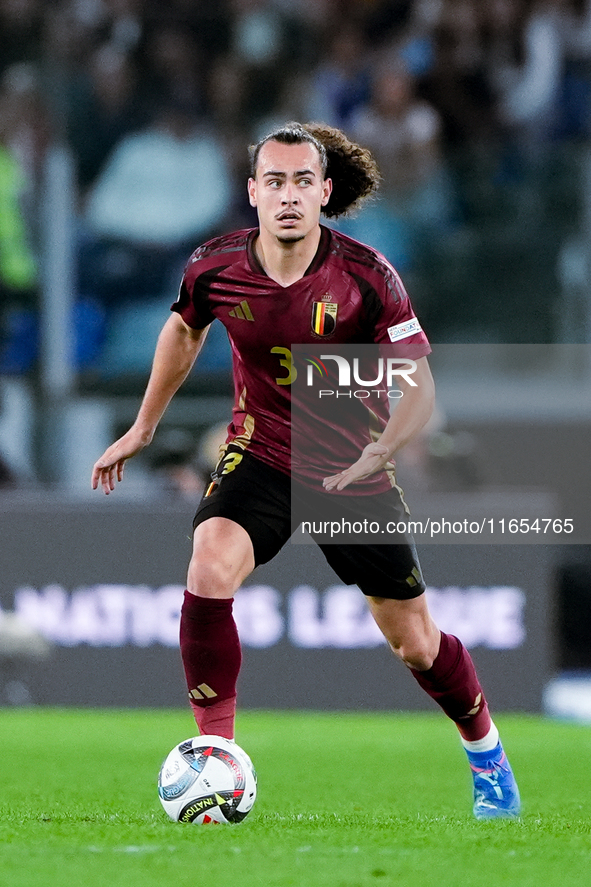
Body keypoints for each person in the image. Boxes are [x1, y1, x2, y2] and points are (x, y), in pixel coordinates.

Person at [91, 121, 520, 820]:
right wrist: (143, 426)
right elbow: (183, 326)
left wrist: (385, 448)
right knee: (209, 562)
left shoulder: (366, 275)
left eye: (301, 182)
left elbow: (417, 387)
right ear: (252, 191)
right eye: (274, 181)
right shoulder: (214, 266)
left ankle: (486, 753)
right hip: (260, 450)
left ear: (323, 192)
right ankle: (215, 757)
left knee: (411, 639)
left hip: (352, 467)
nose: (287, 196)